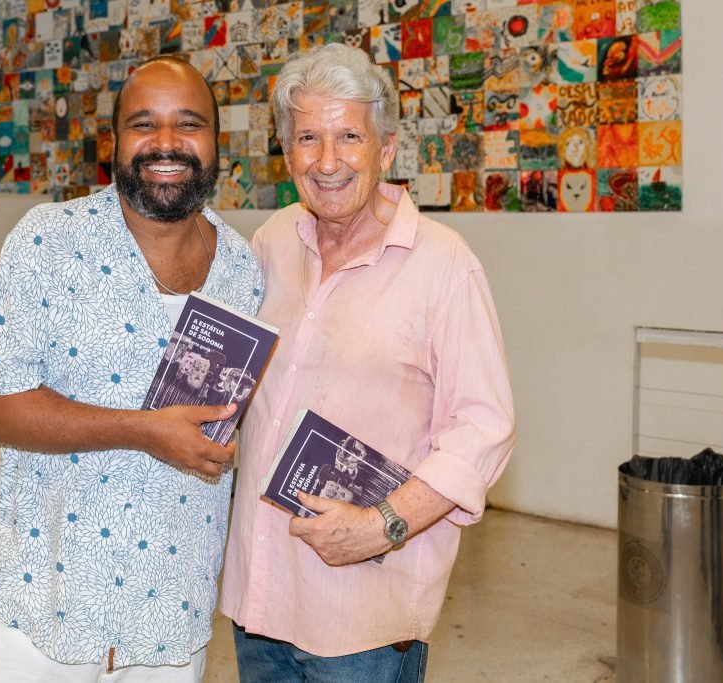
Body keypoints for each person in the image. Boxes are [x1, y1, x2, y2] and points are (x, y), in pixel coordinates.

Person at [0, 56, 264, 682]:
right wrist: (143, 429)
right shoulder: (47, 241)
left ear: (215, 143)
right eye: (144, 124)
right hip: (36, 613)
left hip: (169, 622)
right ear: (115, 142)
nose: (167, 144)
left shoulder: (242, 269)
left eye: (189, 124)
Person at [221, 43, 515, 682]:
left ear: (385, 150)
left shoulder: (443, 265)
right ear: (287, 152)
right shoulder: (271, 243)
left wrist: (383, 524)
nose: (327, 161)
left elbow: (483, 428)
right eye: (307, 138)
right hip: (259, 600)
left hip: (363, 623)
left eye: (349, 136)